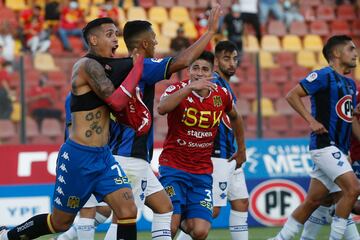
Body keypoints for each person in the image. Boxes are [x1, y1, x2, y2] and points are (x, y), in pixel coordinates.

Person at [0, 17, 144, 240]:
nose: (116, 38)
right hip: (79, 157)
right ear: (93, 40)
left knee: (128, 211)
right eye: (109, 34)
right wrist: (139, 64)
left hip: (103, 157)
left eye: (116, 33)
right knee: (60, 222)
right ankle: (8, 237)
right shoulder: (86, 66)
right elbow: (116, 101)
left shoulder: (108, 68)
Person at [104, 6, 221, 240]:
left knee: (164, 208)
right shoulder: (143, 66)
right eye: (153, 38)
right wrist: (209, 33)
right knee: (123, 218)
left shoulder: (123, 68)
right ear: (144, 44)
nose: (157, 42)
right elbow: (183, 60)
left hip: (131, 156)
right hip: (131, 156)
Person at [268, 35, 360, 240]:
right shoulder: (324, 75)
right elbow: (292, 94)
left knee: (316, 200)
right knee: (352, 189)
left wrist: (347, 152)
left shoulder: (351, 84)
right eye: (351, 49)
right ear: (336, 53)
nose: (356, 53)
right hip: (324, 145)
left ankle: (280, 239)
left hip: (339, 150)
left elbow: (348, 117)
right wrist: (311, 120)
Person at [157, 51, 246, 239]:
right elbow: (162, 108)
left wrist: (241, 149)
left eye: (204, 69)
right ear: (188, 71)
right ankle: (177, 216)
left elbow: (236, 118)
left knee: (200, 231)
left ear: (212, 73)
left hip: (201, 173)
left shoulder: (221, 94)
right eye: (195, 68)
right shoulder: (177, 89)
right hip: (173, 168)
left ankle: (181, 215)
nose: (199, 73)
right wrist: (189, 88)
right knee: (170, 227)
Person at [299, 88, 360, 240]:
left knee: (323, 199)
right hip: (348, 156)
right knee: (332, 199)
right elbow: (346, 120)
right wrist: (344, 151)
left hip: (341, 153)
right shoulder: (354, 91)